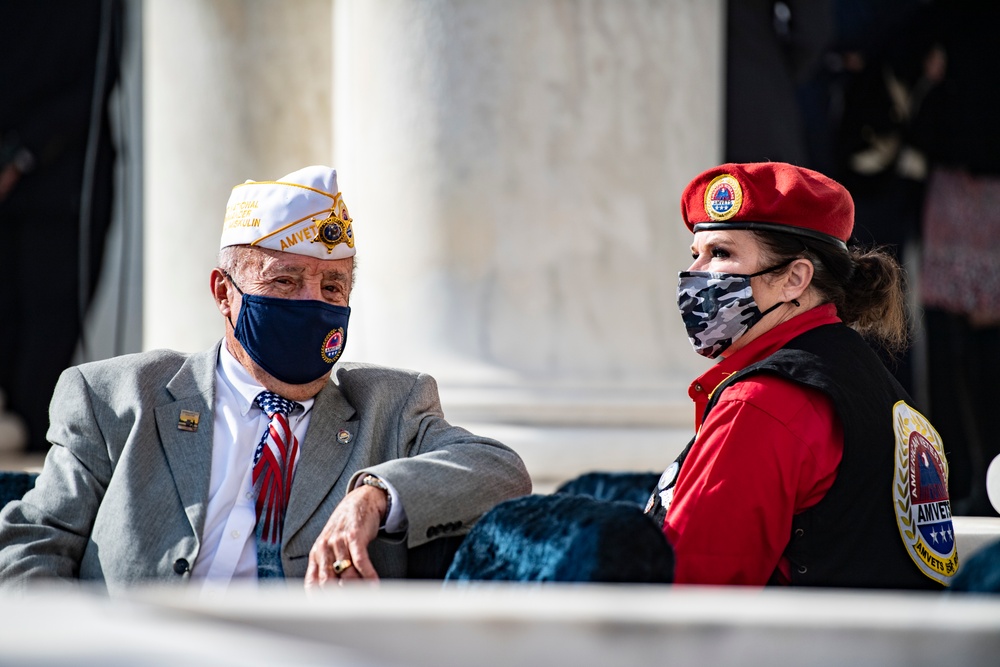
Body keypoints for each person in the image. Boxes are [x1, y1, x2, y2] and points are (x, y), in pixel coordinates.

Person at [0, 165, 531, 592]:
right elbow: (33, 541)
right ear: (224, 293)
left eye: (333, 286)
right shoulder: (116, 398)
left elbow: (500, 469)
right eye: (285, 279)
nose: (313, 303)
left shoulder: (389, 408)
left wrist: (373, 497)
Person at [644, 161, 957, 589]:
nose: (695, 275)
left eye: (721, 253)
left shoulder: (761, 403)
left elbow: (691, 583)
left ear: (795, 278)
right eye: (695, 254)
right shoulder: (865, 374)